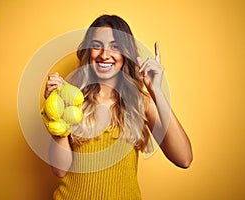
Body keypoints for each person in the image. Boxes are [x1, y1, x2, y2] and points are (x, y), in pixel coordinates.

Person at [44, 14, 192, 200]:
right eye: (97, 45)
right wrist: (55, 112)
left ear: (125, 54)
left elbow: (184, 158)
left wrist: (155, 90)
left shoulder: (140, 102)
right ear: (88, 52)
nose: (104, 55)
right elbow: (59, 170)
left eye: (115, 47)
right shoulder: (71, 98)